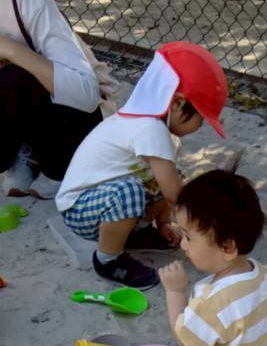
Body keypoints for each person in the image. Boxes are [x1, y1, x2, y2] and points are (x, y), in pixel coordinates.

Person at [55, 41, 227, 290]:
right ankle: (107, 260)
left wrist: (164, 223)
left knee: (170, 175)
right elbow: (174, 195)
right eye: (201, 120)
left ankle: (136, 233)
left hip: (102, 203)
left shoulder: (155, 127)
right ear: (177, 103)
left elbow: (167, 184)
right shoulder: (149, 128)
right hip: (79, 209)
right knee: (129, 191)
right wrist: (204, 232)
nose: (199, 127)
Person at [153, 168, 267, 346]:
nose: (183, 245)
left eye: (188, 237)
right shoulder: (259, 272)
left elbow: (185, 343)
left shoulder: (214, 302)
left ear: (227, 247)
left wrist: (175, 292)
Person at [0, 0, 108, 199]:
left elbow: (86, 94)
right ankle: (21, 149)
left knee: (12, 76)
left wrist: (11, 50)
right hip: (14, 106)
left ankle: (58, 163)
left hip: (66, 115)